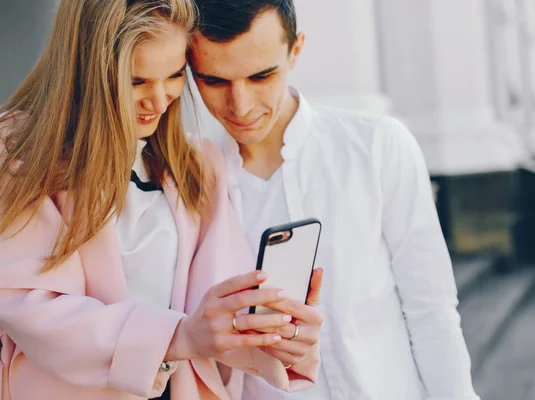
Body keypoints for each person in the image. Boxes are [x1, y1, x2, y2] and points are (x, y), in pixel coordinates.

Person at [0, 0, 323, 399]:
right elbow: (33, 311)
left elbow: (221, 307)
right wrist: (177, 336)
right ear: (86, 69)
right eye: (136, 82)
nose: (159, 100)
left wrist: (277, 336)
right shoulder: (18, 152)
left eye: (173, 76)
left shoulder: (197, 165)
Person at [185, 0, 481, 399]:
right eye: (215, 81)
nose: (241, 105)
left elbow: (432, 309)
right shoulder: (191, 180)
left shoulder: (378, 146)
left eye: (261, 76)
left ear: (296, 50)